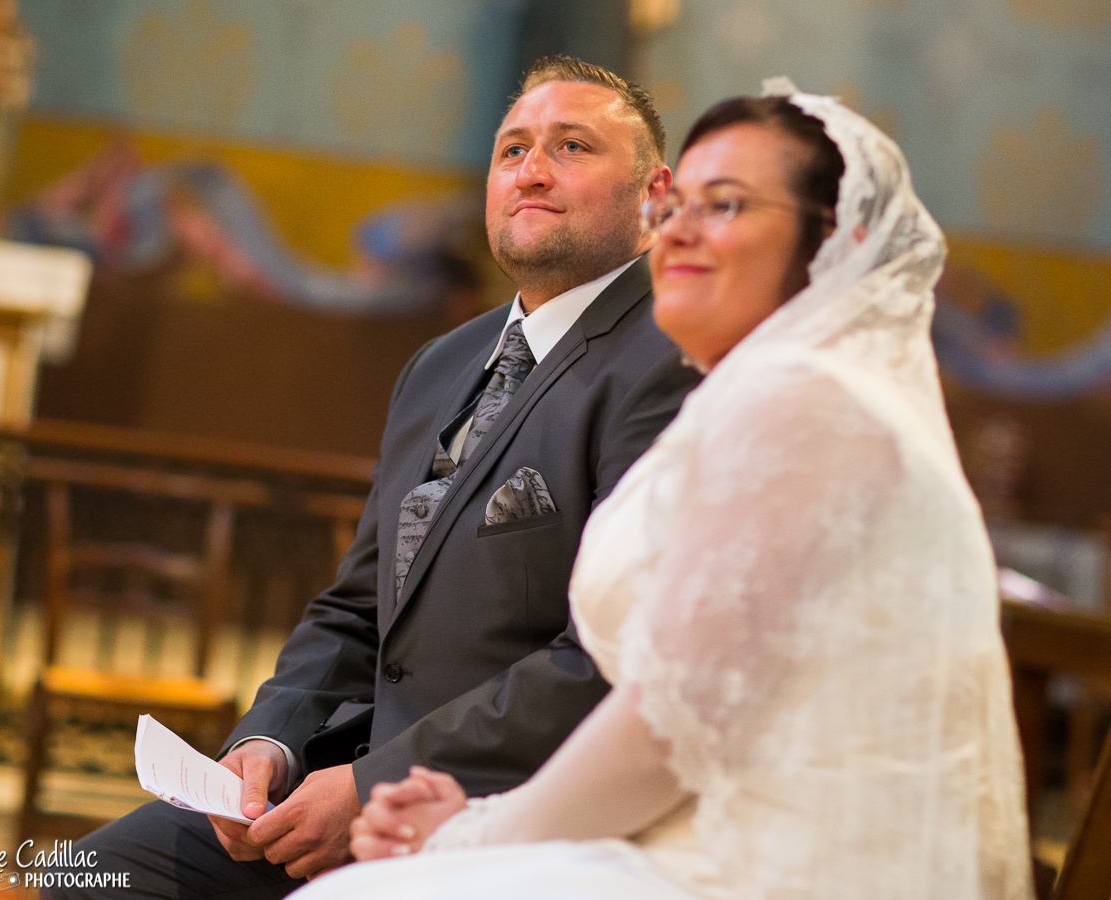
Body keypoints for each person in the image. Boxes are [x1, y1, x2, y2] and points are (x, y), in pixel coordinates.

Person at [289, 81, 1035, 899]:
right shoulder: (751, 395)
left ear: (832, 239)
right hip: (655, 817)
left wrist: (465, 834)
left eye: (726, 205)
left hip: (770, 860)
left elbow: (669, 726)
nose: (675, 229)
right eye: (678, 207)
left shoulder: (810, 405)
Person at [44, 57, 700, 898]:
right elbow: (356, 607)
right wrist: (268, 744)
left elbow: (603, 657)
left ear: (655, 194)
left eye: (572, 146)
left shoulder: (669, 364)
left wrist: (370, 787)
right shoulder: (441, 364)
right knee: (91, 876)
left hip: (501, 808)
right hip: (338, 769)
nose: (531, 170)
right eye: (512, 150)